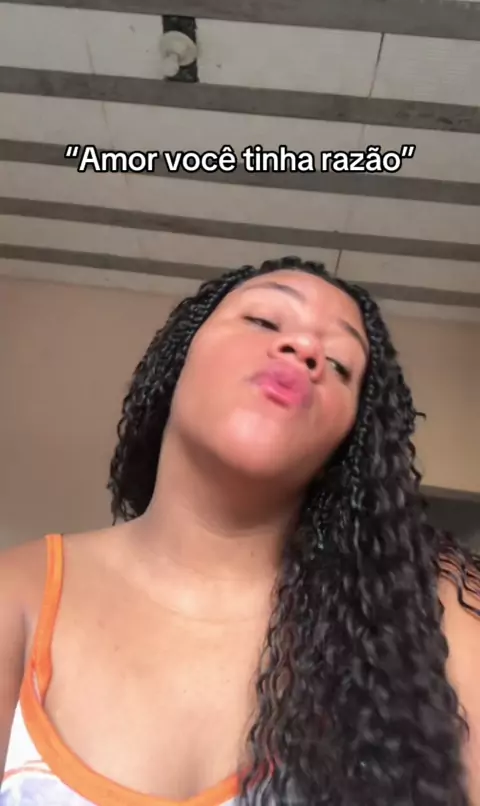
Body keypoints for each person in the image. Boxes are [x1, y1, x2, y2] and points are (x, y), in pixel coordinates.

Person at [0, 256, 479, 806]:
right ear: (179, 359)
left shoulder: (426, 611)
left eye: (340, 365)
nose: (304, 349)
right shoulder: (18, 592)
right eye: (263, 321)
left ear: (345, 446)